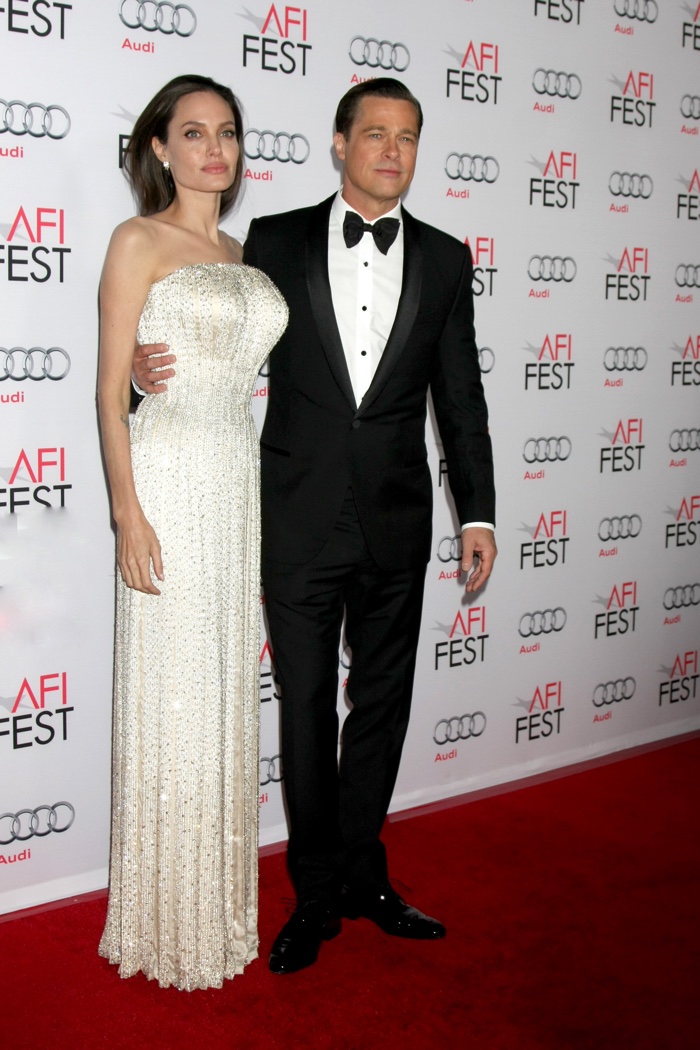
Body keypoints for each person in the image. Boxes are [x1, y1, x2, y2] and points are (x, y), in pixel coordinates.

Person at [133, 78, 496, 976]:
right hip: (293, 518)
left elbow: (462, 399)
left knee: (381, 706)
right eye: (373, 134)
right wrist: (148, 374)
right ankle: (314, 893)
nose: (390, 152)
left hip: (398, 521)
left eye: (406, 137)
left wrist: (478, 510)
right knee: (301, 708)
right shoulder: (275, 240)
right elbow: (218, 344)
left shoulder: (449, 261)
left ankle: (366, 876)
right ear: (339, 144)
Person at [97, 74, 288, 990]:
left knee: (215, 690)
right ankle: (161, 915)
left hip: (234, 482)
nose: (215, 148)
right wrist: (127, 512)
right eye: (194, 133)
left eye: (228, 133)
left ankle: (211, 903)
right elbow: (109, 390)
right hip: (169, 478)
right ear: (162, 149)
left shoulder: (248, 252)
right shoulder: (138, 240)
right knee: (173, 689)